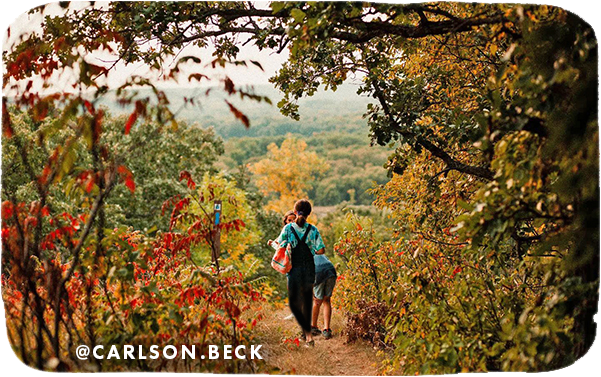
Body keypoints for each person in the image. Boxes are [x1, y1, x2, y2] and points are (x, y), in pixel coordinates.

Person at [276, 199, 325, 346]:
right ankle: (307, 335)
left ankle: (306, 333)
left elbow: (280, 244)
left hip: (294, 267)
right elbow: (321, 250)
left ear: (295, 211)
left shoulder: (288, 228)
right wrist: (312, 249)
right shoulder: (313, 229)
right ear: (309, 214)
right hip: (309, 266)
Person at [311, 253, 337, 339]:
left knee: (317, 301)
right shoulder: (319, 252)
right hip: (331, 271)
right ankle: (326, 330)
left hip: (318, 272)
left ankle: (313, 327)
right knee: (326, 300)